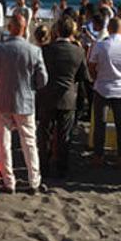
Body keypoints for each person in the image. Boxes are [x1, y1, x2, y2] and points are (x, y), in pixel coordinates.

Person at [0, 14, 48, 194]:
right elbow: (43, 80)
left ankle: (8, 181)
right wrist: (29, 86)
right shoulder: (34, 51)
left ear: (9, 28)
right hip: (25, 100)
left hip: (2, 99)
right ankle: (33, 181)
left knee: (4, 142)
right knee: (29, 142)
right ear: (25, 28)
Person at [37, 18, 90, 179]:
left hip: (47, 95)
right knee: (64, 135)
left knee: (45, 133)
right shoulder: (78, 51)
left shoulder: (46, 50)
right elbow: (84, 77)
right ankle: (62, 168)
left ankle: (43, 166)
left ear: (57, 31)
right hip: (67, 97)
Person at [88, 17, 121, 168]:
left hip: (102, 86)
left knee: (100, 124)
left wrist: (97, 77)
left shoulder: (101, 45)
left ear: (109, 29)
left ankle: (98, 156)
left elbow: (91, 65)